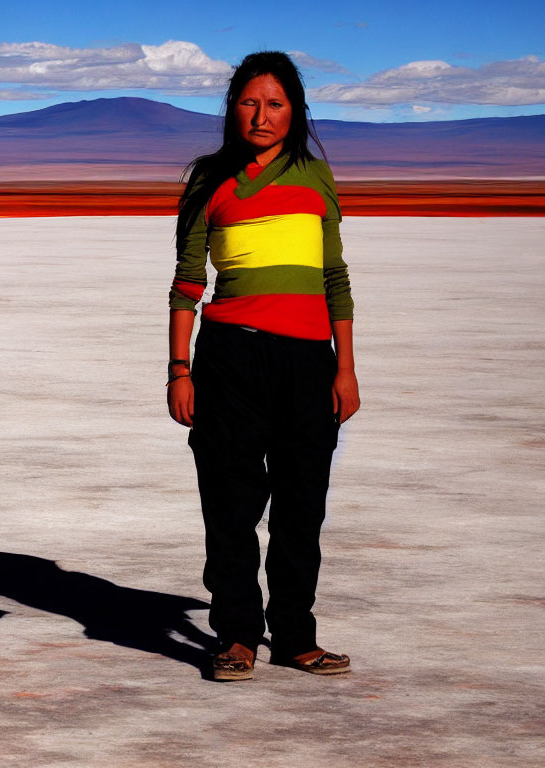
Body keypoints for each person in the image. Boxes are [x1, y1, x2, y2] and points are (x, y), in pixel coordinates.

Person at [167, 51, 359, 682]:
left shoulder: (315, 176)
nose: (262, 114)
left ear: (295, 112)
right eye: (250, 101)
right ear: (232, 108)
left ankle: (297, 637)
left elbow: (335, 277)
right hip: (230, 359)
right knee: (230, 502)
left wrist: (345, 368)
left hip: (308, 362)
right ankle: (238, 636)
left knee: (302, 506)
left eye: (276, 103)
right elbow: (188, 283)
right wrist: (179, 370)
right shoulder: (208, 181)